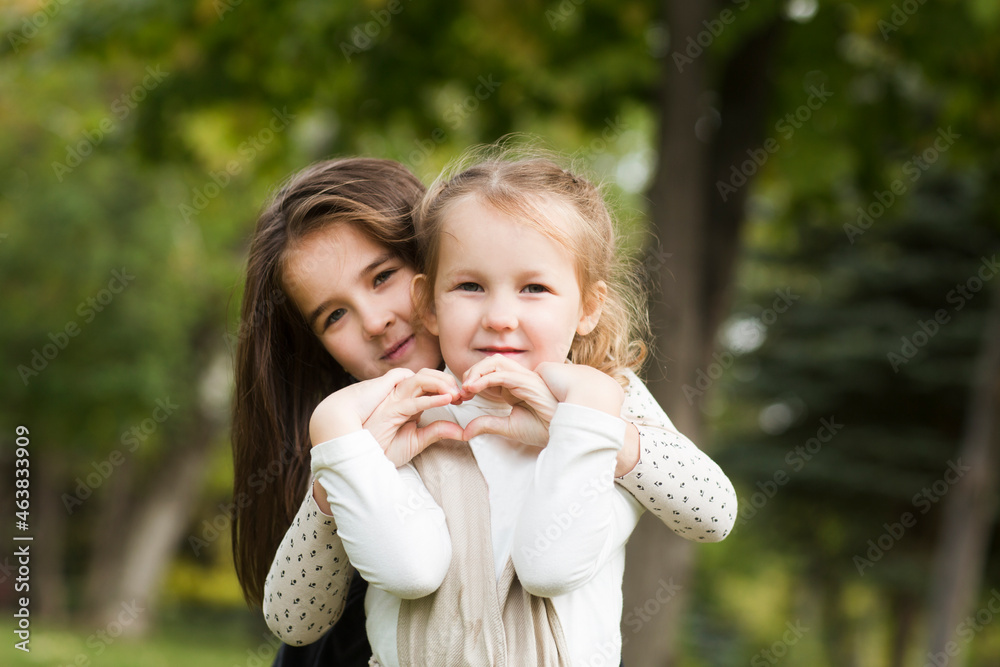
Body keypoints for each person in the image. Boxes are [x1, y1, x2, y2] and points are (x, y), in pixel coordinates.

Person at [230, 156, 736, 665]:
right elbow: (300, 619)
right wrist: (338, 460)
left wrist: (591, 425)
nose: (376, 321)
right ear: (433, 296)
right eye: (334, 315)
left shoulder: (601, 395)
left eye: (382, 276)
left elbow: (709, 510)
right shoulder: (371, 434)